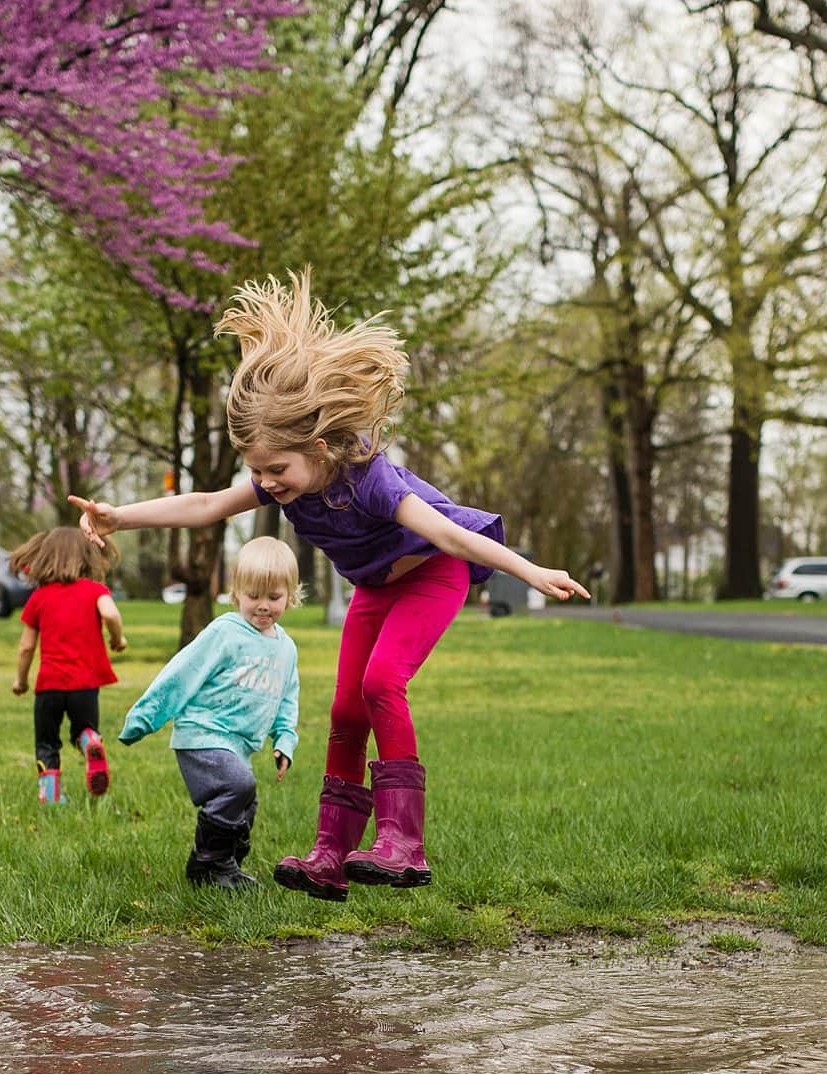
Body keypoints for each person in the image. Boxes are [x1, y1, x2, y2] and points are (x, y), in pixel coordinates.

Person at [72, 271, 588, 899]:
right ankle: (330, 853)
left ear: (317, 447)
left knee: (380, 684)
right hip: (376, 587)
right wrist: (119, 516)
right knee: (345, 711)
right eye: (256, 469)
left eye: (277, 468)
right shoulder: (278, 474)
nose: (266, 480)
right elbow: (206, 503)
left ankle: (403, 843)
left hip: (432, 575)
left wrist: (530, 571)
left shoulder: (371, 480)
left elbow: (450, 536)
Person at [119, 536, 301, 888]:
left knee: (245, 805)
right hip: (202, 733)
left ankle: (224, 867)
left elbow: (287, 697)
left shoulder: (286, 648)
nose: (262, 606)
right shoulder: (225, 632)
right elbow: (183, 671)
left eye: (274, 597)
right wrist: (145, 716)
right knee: (238, 785)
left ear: (290, 596)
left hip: (238, 745)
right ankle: (207, 864)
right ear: (236, 592)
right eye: (253, 596)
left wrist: (285, 739)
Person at [10, 528, 128, 804]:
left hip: (49, 686)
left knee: (47, 742)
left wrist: (21, 681)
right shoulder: (96, 590)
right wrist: (117, 638)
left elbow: (26, 647)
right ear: (89, 557)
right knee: (83, 728)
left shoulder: (39, 597)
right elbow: (110, 612)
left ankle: (51, 795)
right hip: (85, 686)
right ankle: (89, 741)